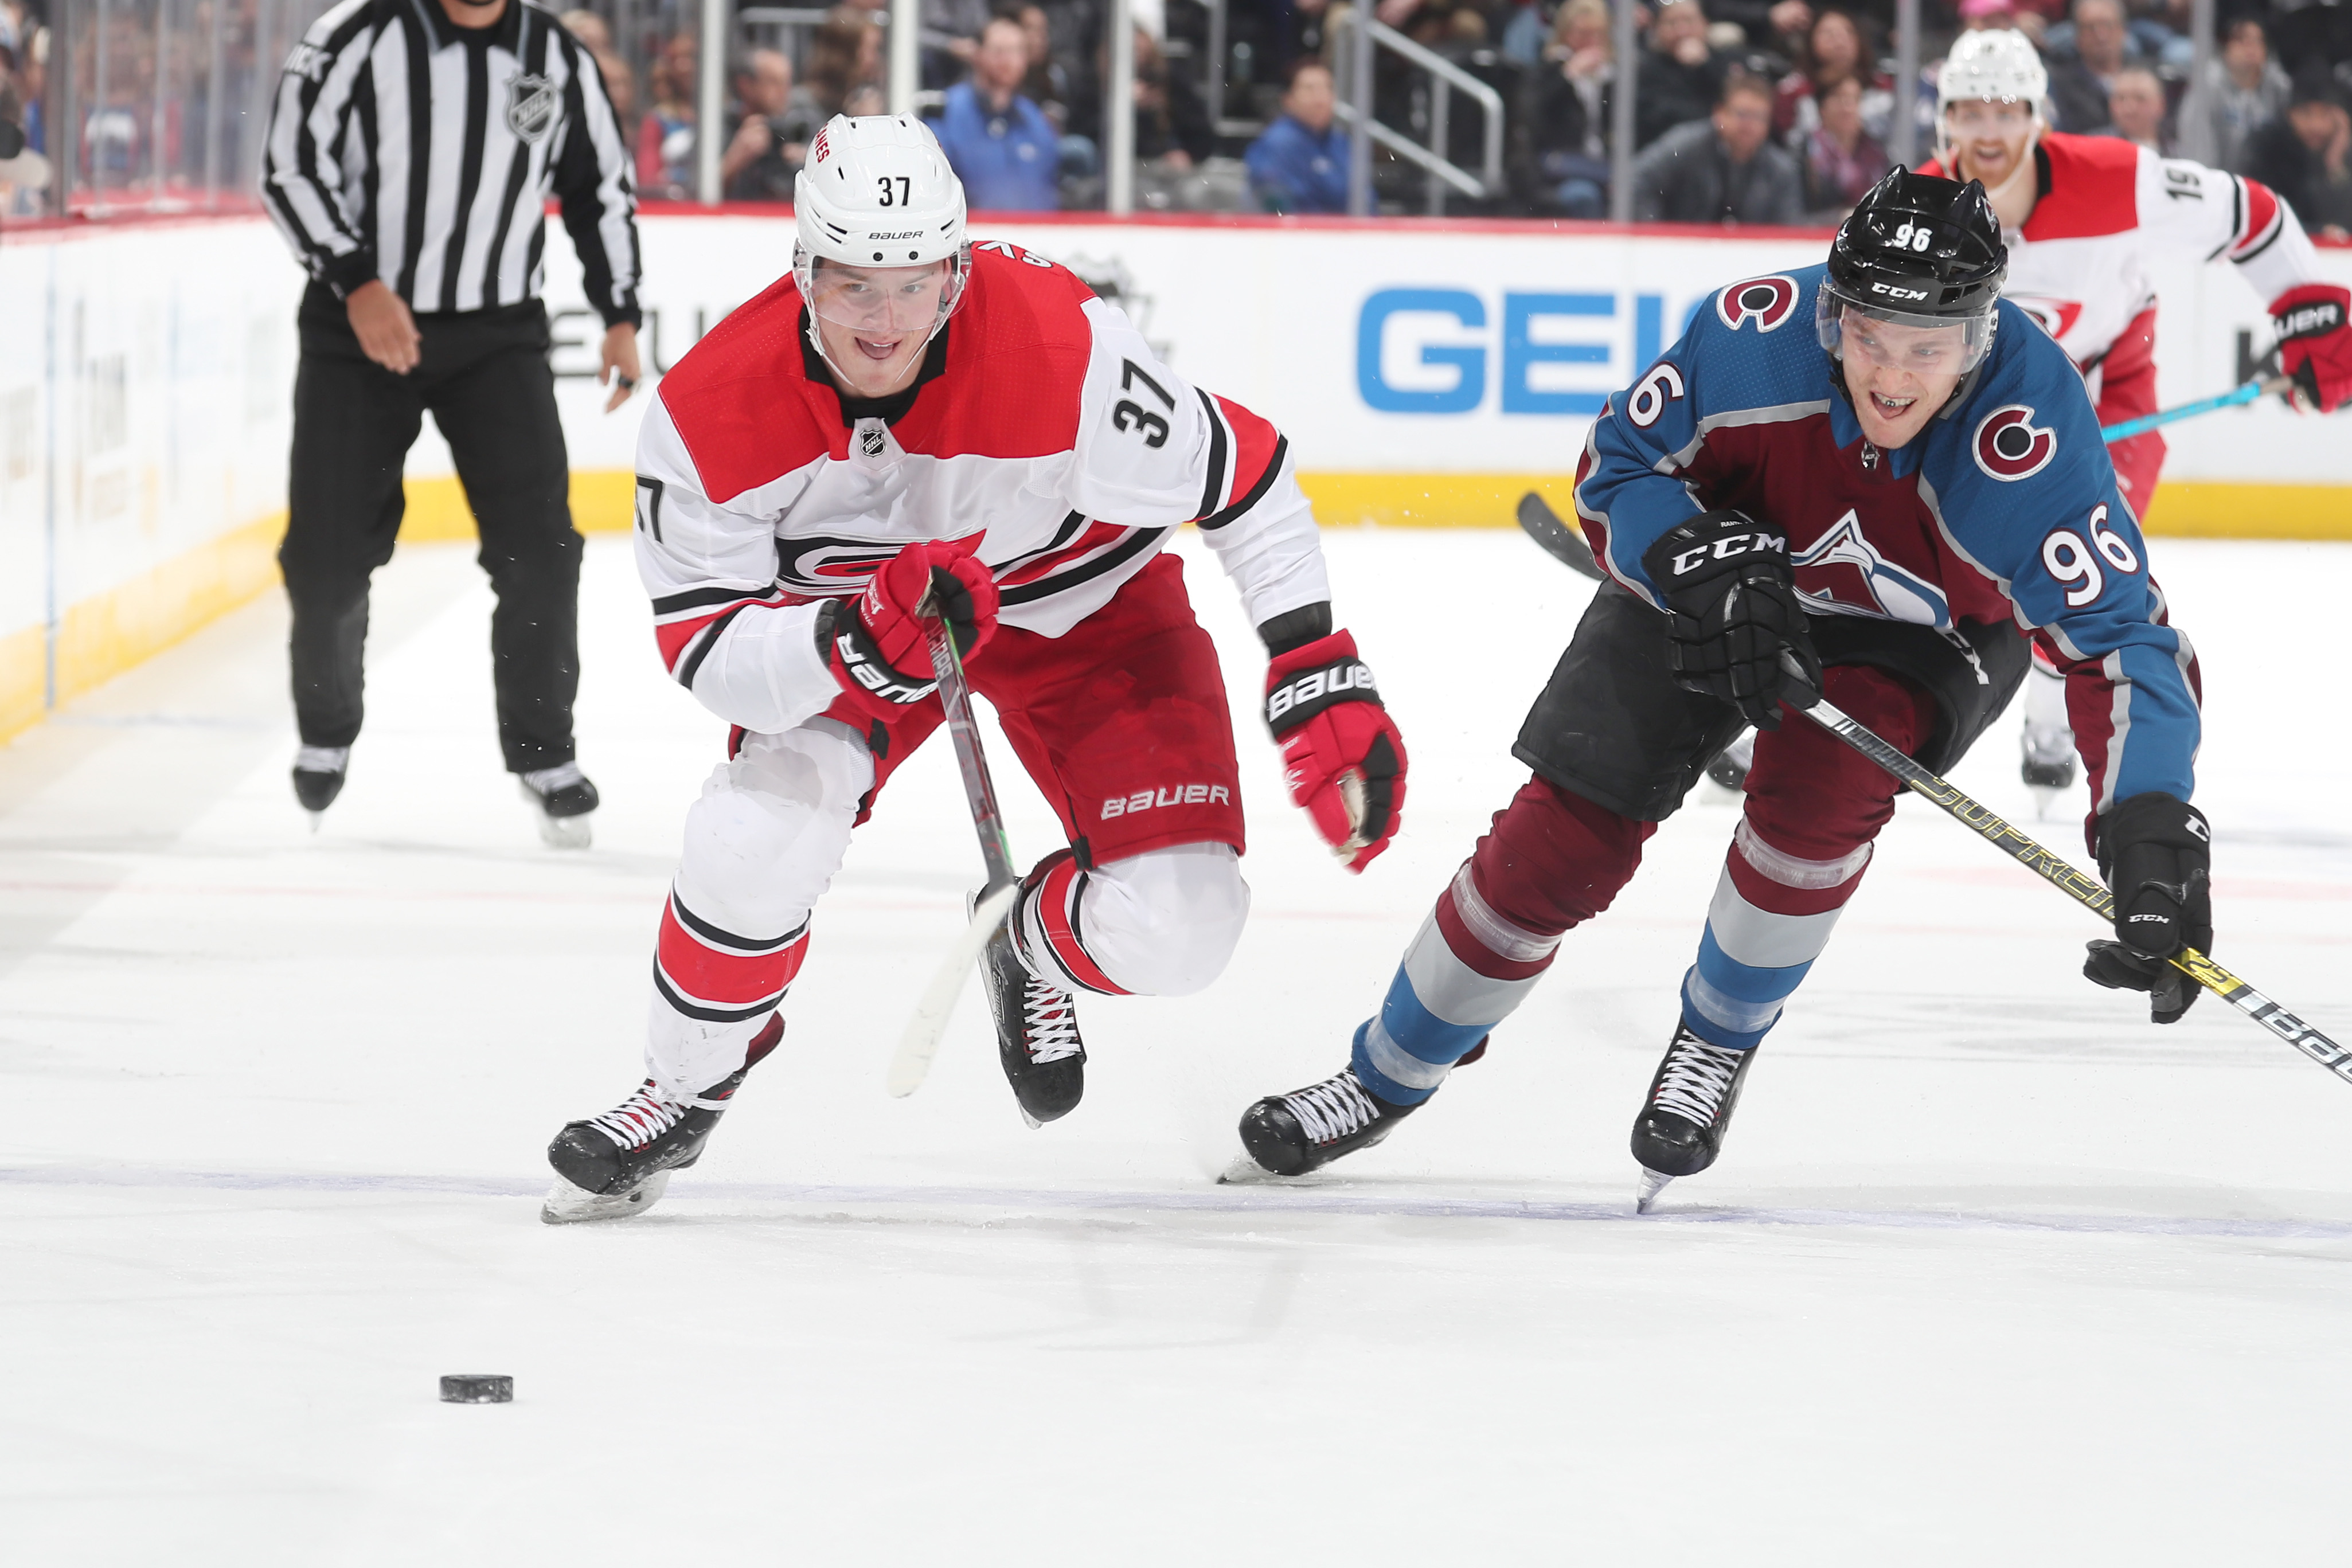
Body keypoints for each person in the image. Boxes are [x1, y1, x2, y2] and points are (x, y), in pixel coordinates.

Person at [1226, 171, 2212, 1208]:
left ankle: (1715, 1040)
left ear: (1979, 337)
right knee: (1564, 834)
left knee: (1817, 799)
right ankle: (1383, 1073)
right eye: (1871, 336)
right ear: (1831, 314)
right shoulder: (1749, 337)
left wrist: (2146, 824)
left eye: (1928, 349)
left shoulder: (2032, 439)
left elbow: (2122, 648)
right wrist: (1687, 553)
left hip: (1925, 637)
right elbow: (1615, 472)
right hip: (1715, 577)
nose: (1892, 377)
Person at [541, 116, 1409, 1222]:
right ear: (803, 268)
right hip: (862, 630)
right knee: (748, 838)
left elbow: (1245, 474)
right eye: (856, 286)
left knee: (1185, 929)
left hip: (1088, 607)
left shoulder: (1064, 347)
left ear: (958, 266)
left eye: (919, 283)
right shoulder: (712, 411)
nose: (889, 323)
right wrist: (846, 641)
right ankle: (683, 1083)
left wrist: (1313, 659)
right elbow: (708, 650)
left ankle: (1029, 945)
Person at [1921, 29, 2350, 801]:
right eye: (1967, 110)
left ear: (2036, 116)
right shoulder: (1915, 209)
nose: (1987, 131)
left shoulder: (2114, 179)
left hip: (2105, 382)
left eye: (2005, 109)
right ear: (1943, 119)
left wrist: (2307, 311)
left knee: (2084, 567)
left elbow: (2250, 216)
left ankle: (2051, 723)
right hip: (1976, 405)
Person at [261, 0, 643, 845]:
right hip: (355, 328)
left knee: (541, 550)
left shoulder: (554, 55)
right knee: (325, 560)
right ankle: (326, 726)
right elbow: (289, 167)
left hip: (496, 335)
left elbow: (599, 185)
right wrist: (357, 281)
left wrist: (619, 310)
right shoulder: (352, 39)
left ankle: (546, 752)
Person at [1632, 71, 1805, 225]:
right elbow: (1637, 179)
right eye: (1742, 114)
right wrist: (1657, 233)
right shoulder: (1685, 146)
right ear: (1720, 112)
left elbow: (1788, 226)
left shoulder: (1781, 170)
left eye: (1759, 117)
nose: (1749, 125)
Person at [930, 14, 1060, 211]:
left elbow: (1047, 189)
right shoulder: (947, 111)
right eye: (999, 51)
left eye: (1017, 51)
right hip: (970, 236)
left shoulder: (1034, 119)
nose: (1009, 60)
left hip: (1030, 236)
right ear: (977, 53)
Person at [2240, 66, 2352, 240]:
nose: (2317, 125)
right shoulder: (2266, 147)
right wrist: (2317, 230)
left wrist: (2335, 164)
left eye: (2325, 114)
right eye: (2306, 114)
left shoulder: (2341, 147)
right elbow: (2259, 213)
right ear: (2290, 114)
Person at [2171, 15, 2290, 173]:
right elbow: (2197, 149)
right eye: (2242, 40)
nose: (2251, 47)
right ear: (2225, 48)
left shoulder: (2279, 89)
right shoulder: (2207, 88)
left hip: (2264, 187)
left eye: (2258, 41)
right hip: (2219, 184)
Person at [1530, 0, 1615, 217]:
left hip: (1608, 163)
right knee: (1582, 196)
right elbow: (1535, 120)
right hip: (1569, 168)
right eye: (1583, 34)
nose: (1591, 42)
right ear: (1565, 34)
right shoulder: (1549, 72)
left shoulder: (1615, 78)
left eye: (1597, 34)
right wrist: (1567, 77)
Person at [1245, 58, 1348, 213]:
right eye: (1309, 89)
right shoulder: (1277, 144)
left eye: (1328, 88)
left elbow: (1364, 200)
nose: (1320, 98)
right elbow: (1280, 205)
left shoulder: (1342, 143)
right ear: (1288, 99)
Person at [722, 47, 818, 200]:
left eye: (787, 83)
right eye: (774, 82)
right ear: (745, 85)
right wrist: (734, 160)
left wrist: (811, 164)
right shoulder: (720, 128)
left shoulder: (802, 126)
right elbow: (695, 191)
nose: (784, 92)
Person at [1635, 0, 1729, 149]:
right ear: (1657, 28)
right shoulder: (1646, 69)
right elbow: (1656, 116)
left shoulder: (1722, 62)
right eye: (1672, 23)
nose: (1682, 31)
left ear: (1705, 23)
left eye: (1689, 21)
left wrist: (1704, 65)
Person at [1798, 72, 1889, 217]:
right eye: (1839, 98)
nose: (1848, 107)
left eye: (1855, 99)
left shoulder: (1878, 152)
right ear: (1822, 107)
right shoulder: (1804, 152)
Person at [2045, 0, 2136, 134]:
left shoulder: (2143, 79)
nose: (2101, 36)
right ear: (2077, 37)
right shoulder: (2060, 86)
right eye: (2090, 28)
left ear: (2123, 31)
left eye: (2108, 25)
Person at [2099, 64, 2169, 152]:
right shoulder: (2094, 147)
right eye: (2121, 98)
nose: (2129, 108)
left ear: (2161, 105)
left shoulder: (2180, 149)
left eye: (2140, 98)